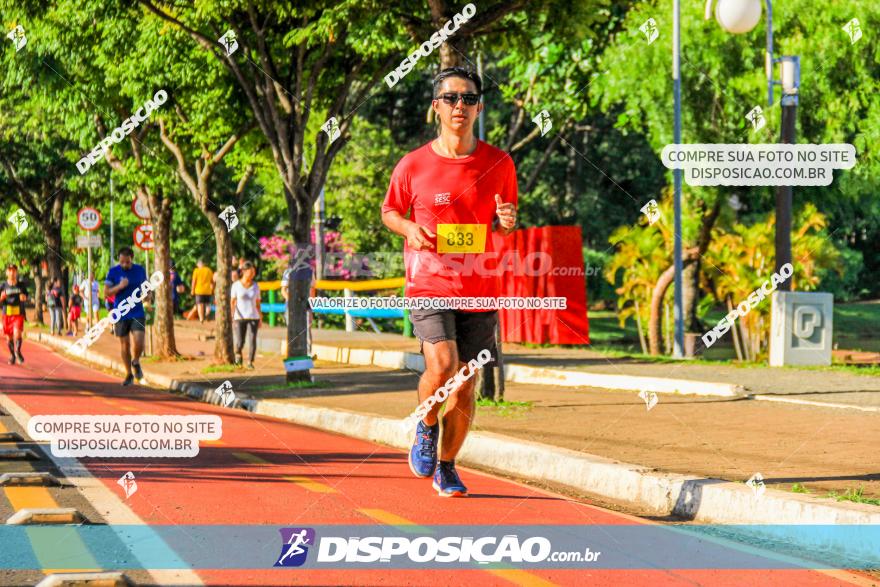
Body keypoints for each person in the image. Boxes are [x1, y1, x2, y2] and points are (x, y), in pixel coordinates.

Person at [381, 67, 518, 497]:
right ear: (436, 106)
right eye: (451, 98)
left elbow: (505, 223)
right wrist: (408, 230)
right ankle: (425, 424)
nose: (460, 105)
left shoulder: (500, 162)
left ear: (479, 106)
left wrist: (508, 222)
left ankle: (447, 464)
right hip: (429, 284)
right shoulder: (413, 164)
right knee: (441, 365)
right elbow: (390, 211)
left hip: (480, 286)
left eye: (469, 98)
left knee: (465, 384)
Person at [105, 247, 149, 386]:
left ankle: (135, 361)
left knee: (139, 340)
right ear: (119, 260)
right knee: (125, 344)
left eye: (127, 262)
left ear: (132, 259)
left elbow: (146, 287)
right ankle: (129, 374)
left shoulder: (140, 270)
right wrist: (120, 286)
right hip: (121, 312)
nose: (124, 265)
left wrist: (148, 294)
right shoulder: (113, 272)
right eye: (122, 262)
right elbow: (106, 293)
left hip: (137, 311)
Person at [230, 261, 261, 368]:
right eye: (250, 271)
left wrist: (260, 318)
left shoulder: (256, 286)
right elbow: (233, 302)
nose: (252, 274)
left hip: (253, 317)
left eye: (253, 272)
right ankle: (238, 355)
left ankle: (250, 362)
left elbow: (258, 303)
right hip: (239, 317)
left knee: (252, 340)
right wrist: (232, 315)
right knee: (239, 341)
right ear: (243, 271)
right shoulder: (236, 285)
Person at [0, 264, 28, 365]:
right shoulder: (2, 286)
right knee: (9, 337)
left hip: (18, 314)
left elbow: (26, 296)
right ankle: (12, 355)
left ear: (16, 272)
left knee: (17, 334)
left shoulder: (21, 285)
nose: (12, 273)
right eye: (10, 270)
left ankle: (18, 351)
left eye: (14, 271)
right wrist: (1, 298)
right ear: (7, 272)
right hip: (7, 314)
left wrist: (24, 298)